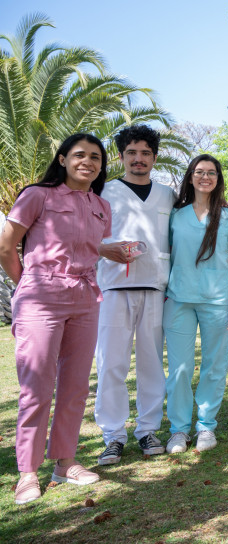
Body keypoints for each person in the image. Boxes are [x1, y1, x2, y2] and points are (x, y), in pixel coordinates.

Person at [0, 134, 111, 504]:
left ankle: (65, 463)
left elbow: (94, 248)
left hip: (85, 299)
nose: (88, 162)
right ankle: (27, 473)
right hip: (40, 300)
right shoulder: (37, 195)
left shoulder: (100, 206)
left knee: (76, 386)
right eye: (80, 155)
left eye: (95, 157)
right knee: (37, 388)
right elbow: (5, 245)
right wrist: (28, 285)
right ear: (62, 159)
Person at [94, 125, 176, 466]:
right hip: (113, 288)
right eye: (131, 152)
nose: (138, 159)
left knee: (151, 364)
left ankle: (147, 430)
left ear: (154, 158)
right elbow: (86, 238)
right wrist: (107, 249)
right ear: (121, 156)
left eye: (145, 153)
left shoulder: (168, 195)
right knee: (111, 365)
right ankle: (113, 436)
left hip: (156, 290)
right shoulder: (103, 192)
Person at [164, 155, 228, 453]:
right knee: (180, 369)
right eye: (199, 172)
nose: (205, 177)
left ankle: (206, 427)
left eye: (211, 172)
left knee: (214, 367)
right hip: (178, 301)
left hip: (218, 303)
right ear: (190, 177)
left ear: (218, 179)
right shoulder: (175, 215)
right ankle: (178, 431)